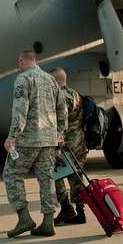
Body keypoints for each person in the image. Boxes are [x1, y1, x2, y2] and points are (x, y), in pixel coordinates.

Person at [4, 50, 67, 238]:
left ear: (22, 61)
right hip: (48, 140)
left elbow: (20, 109)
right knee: (46, 179)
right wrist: (59, 133)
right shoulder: (51, 80)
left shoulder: (23, 79)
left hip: (28, 139)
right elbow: (62, 108)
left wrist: (12, 135)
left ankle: (24, 218)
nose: (18, 66)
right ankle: (48, 222)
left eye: (19, 63)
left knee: (11, 175)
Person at [50, 67, 87, 226]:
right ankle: (80, 212)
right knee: (76, 178)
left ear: (54, 81)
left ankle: (66, 207)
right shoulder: (75, 94)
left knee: (54, 173)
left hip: (65, 145)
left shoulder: (61, 98)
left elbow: (60, 122)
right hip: (79, 142)